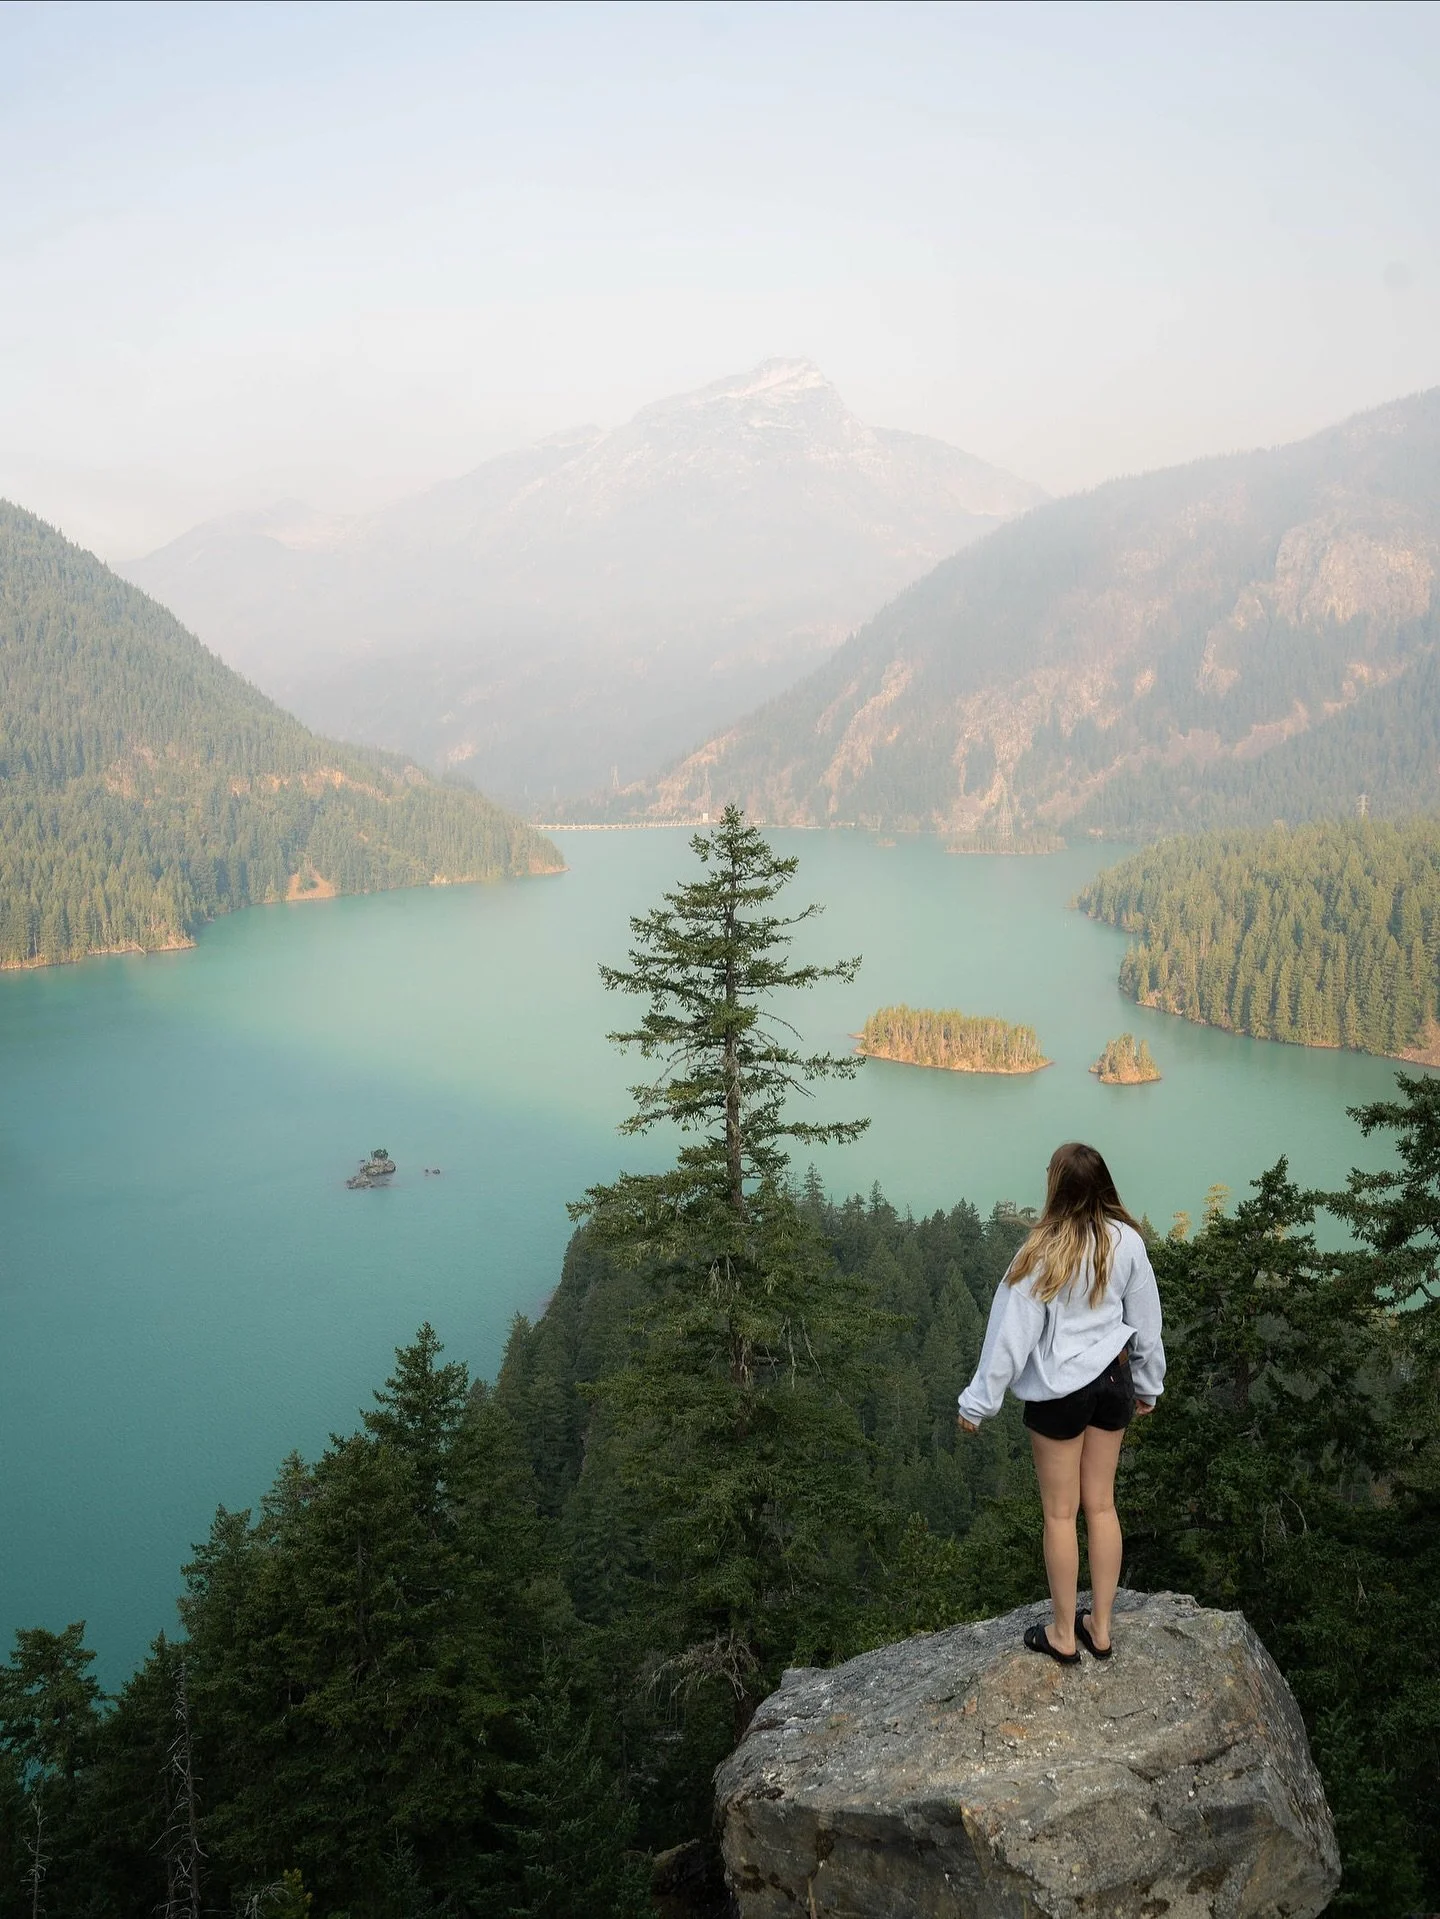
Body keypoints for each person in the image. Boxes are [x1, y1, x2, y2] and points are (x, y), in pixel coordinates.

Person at [956, 1142, 1165, 1664]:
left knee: (1059, 1514)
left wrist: (978, 1403)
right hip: (1114, 1381)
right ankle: (1102, 1629)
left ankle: (1064, 1635)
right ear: (1104, 1185)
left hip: (1059, 1392)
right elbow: (1148, 1323)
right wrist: (1148, 1385)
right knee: (1101, 1505)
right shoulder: (1128, 1243)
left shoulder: (1041, 1250)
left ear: (1056, 1186)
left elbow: (1009, 1335)